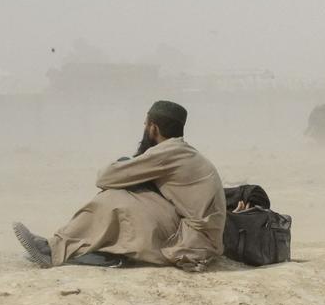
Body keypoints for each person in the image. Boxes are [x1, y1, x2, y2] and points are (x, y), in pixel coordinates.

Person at [12, 101, 226, 271]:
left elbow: (106, 178)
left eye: (145, 124)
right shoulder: (181, 150)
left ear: (153, 128)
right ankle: (71, 245)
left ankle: (53, 249)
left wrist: (127, 165)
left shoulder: (167, 153)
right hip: (199, 236)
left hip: (192, 242)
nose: (144, 129)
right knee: (127, 195)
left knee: (114, 198)